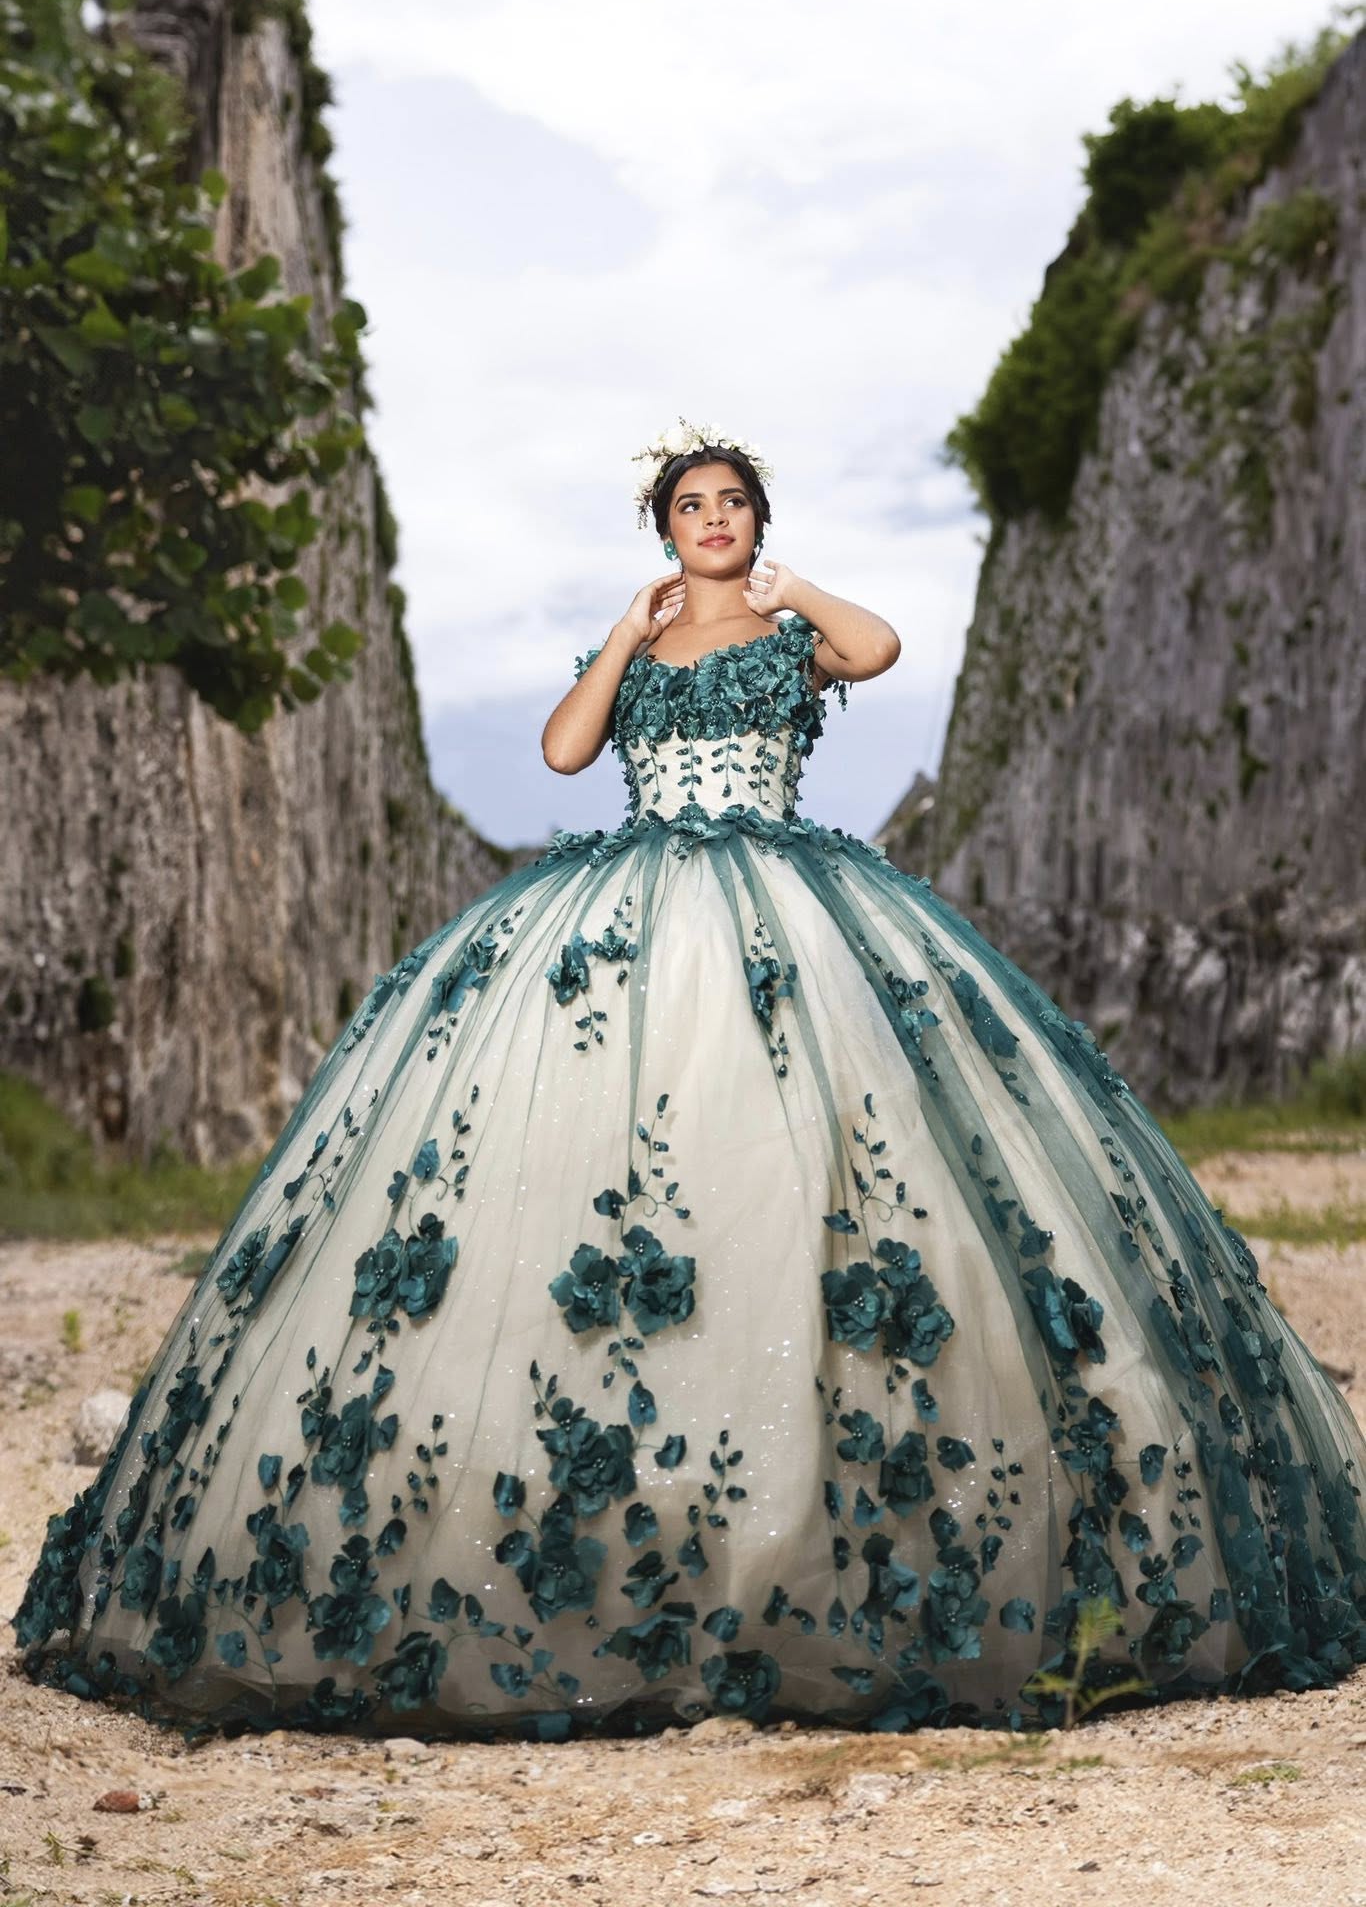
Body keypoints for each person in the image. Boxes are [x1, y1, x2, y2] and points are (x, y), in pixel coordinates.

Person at [15, 420, 1366, 1741]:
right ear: (662, 530)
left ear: (754, 524)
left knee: (812, 1167)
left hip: (787, 901)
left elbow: (876, 649)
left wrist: (795, 590)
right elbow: (563, 752)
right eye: (690, 507)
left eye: (730, 504)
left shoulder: (792, 636)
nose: (711, 520)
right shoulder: (643, 644)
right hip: (630, 908)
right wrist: (619, 632)